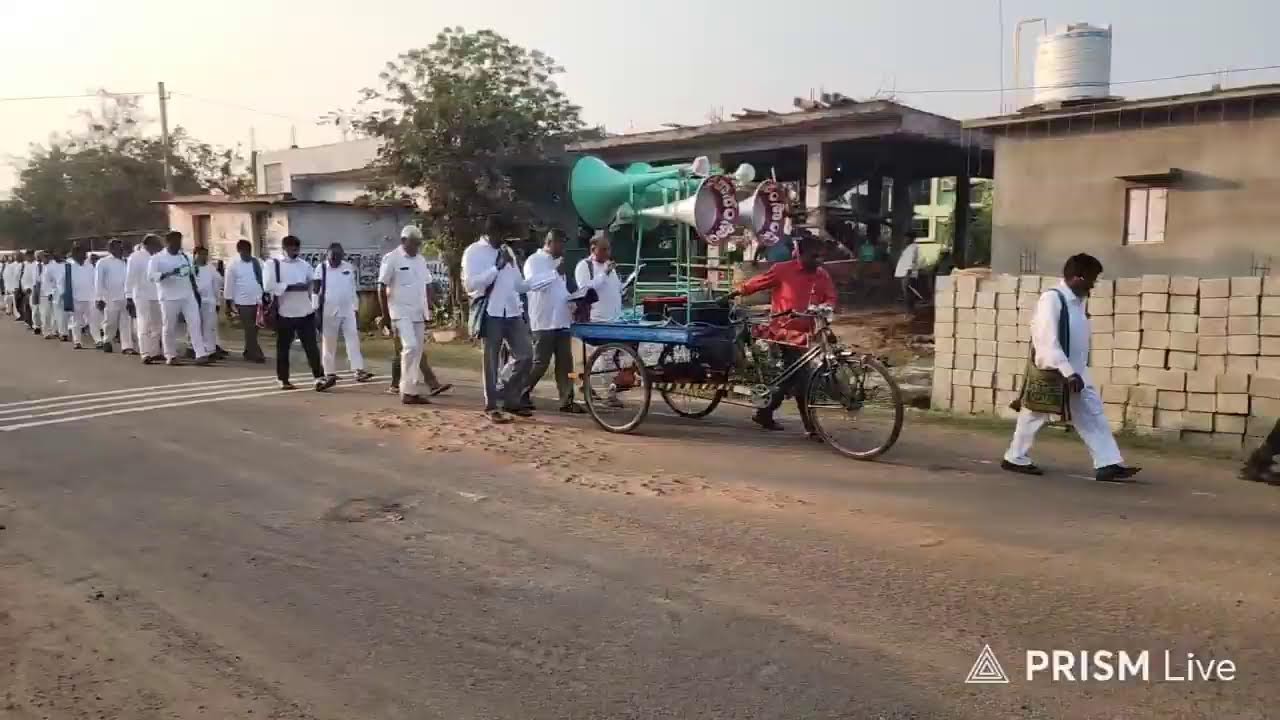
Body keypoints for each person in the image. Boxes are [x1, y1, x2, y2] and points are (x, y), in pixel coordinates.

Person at [1001, 253, 1141, 483]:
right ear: (1078, 278)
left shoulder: (1076, 303)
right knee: (1034, 413)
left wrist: (1077, 371)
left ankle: (1108, 463)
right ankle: (1015, 457)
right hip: (1057, 371)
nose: (1093, 285)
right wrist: (1067, 372)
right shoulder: (1052, 299)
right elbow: (1046, 339)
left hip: (1077, 372)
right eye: (1092, 279)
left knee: (1092, 415)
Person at [726, 231, 836, 436]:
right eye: (814, 256)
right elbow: (758, 282)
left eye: (821, 256)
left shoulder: (822, 275)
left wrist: (827, 307)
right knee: (802, 377)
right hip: (783, 331)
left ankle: (765, 412)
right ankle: (810, 426)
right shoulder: (783, 270)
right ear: (800, 254)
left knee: (793, 376)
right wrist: (735, 292)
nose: (819, 260)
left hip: (808, 333)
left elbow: (830, 297)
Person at [463, 218, 533, 422]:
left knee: (526, 355)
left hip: (511, 311)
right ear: (490, 233)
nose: (503, 239)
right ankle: (492, 405)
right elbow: (470, 285)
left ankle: (508, 396)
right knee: (491, 360)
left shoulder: (507, 251)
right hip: (490, 311)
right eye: (500, 235)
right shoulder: (473, 252)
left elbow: (518, 284)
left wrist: (543, 278)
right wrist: (496, 268)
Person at [521, 229, 584, 414]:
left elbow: (560, 291)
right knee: (540, 363)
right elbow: (533, 285)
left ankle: (567, 400)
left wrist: (574, 302)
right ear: (550, 242)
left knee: (566, 365)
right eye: (561, 243)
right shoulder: (534, 261)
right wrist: (555, 272)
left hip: (562, 321)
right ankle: (520, 393)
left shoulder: (558, 264)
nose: (564, 247)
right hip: (544, 322)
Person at [265, 235, 326, 390]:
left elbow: (313, 282)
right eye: (292, 250)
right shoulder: (273, 264)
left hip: (305, 311)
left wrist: (311, 291)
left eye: (297, 250)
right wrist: (289, 287)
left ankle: (319, 377)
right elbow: (268, 286)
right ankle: (283, 379)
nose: (295, 253)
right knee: (283, 348)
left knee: (311, 347)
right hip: (284, 312)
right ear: (284, 248)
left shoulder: (304, 265)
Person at [148, 231, 211, 366]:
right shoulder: (157, 258)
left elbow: (192, 274)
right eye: (175, 242)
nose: (178, 244)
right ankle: (170, 355)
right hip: (168, 297)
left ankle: (200, 354)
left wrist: (195, 289)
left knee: (195, 323)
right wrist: (170, 273)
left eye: (179, 241)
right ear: (167, 242)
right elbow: (152, 276)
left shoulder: (185, 256)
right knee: (169, 327)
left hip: (187, 296)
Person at [314, 242, 374, 385]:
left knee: (353, 339)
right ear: (327, 255)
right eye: (333, 257)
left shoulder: (348, 267)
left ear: (342, 256)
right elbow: (315, 291)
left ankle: (358, 370)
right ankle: (329, 372)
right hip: (328, 310)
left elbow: (352, 289)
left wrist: (356, 309)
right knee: (329, 342)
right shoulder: (321, 268)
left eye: (338, 257)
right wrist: (316, 310)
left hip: (348, 310)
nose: (335, 260)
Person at [223, 240, 266, 363]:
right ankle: (256, 353)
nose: (246, 254)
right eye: (244, 251)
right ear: (239, 251)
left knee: (255, 328)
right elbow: (228, 285)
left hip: (258, 301)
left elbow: (265, 279)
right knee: (249, 328)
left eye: (248, 251)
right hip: (242, 302)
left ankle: (248, 351)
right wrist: (228, 303)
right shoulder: (233, 264)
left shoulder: (258, 262)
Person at [127, 234, 164, 364]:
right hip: (141, 296)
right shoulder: (135, 257)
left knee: (157, 325)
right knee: (144, 324)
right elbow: (130, 277)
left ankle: (155, 352)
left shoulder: (158, 257)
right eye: (158, 244)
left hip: (157, 295)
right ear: (148, 244)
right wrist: (128, 297)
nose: (160, 247)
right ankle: (145, 353)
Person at [94, 239, 135, 354]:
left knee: (126, 322)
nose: (120, 249)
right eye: (117, 247)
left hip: (125, 296)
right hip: (109, 297)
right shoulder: (103, 262)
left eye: (121, 247)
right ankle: (107, 341)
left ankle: (127, 346)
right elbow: (98, 281)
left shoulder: (126, 261)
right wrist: (99, 298)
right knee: (110, 322)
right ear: (110, 249)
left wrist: (131, 296)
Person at [192, 247, 227, 361]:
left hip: (209, 301)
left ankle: (210, 350)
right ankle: (195, 349)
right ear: (195, 255)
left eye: (205, 255)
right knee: (196, 326)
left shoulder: (210, 268)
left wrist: (217, 301)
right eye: (201, 254)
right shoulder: (191, 269)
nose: (203, 257)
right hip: (194, 301)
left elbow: (218, 283)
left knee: (209, 327)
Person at [63, 244, 96, 349]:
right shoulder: (69, 266)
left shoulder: (90, 266)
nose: (84, 255)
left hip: (90, 297)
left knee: (93, 320)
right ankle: (77, 341)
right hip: (75, 298)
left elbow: (95, 281)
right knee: (76, 321)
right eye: (81, 253)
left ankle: (98, 340)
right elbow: (63, 282)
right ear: (75, 254)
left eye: (84, 253)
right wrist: (65, 295)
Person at [41, 250, 67, 341]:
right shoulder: (50, 267)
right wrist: (49, 292)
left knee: (65, 314)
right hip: (55, 293)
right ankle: (62, 333)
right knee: (58, 314)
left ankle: (61, 331)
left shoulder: (68, 265)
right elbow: (46, 281)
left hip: (68, 292)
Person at [894, 231, 923, 312]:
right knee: (907, 291)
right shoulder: (909, 247)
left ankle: (909, 309)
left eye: (906, 238)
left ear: (911, 238)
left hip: (908, 273)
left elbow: (911, 260)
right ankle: (910, 309)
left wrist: (908, 272)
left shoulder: (913, 247)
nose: (905, 239)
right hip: (906, 272)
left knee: (907, 291)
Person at [19, 250, 39, 332]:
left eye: (30, 255)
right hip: (27, 289)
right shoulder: (25, 265)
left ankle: (35, 325)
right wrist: (25, 288)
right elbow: (23, 278)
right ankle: (30, 322)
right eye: (27, 256)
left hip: (34, 289)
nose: (28, 257)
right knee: (27, 307)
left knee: (34, 308)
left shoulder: (37, 264)